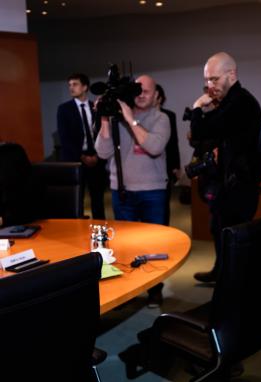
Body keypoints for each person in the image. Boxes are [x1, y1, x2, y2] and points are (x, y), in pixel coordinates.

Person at [95, 74, 170, 307]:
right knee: (127, 246)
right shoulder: (117, 120)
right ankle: (130, 289)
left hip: (153, 191)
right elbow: (102, 152)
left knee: (153, 245)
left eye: (147, 91)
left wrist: (131, 120)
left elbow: (154, 146)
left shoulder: (161, 118)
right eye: (138, 90)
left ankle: (155, 289)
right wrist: (106, 120)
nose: (141, 95)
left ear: (156, 94)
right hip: (122, 191)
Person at [189, 52, 261, 284]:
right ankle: (220, 273)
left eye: (214, 79)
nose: (210, 86)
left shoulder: (241, 102)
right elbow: (200, 138)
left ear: (231, 75)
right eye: (207, 81)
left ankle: (230, 285)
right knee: (219, 231)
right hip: (226, 184)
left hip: (239, 186)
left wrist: (197, 107)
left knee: (233, 238)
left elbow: (203, 130)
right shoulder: (231, 101)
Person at [56, 73, 107, 219]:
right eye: (70, 85)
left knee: (98, 199)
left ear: (85, 87)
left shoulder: (96, 107)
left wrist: (98, 155)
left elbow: (102, 133)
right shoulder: (64, 109)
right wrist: (82, 156)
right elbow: (64, 137)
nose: (71, 88)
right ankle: (76, 233)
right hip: (75, 159)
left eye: (75, 84)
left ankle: (100, 232)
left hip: (97, 159)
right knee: (76, 199)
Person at [154, 84, 180, 225]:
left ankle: (165, 227)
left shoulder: (169, 115)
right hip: (151, 162)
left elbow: (173, 141)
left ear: (160, 98)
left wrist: (176, 166)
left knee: (164, 200)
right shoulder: (142, 116)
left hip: (167, 162)